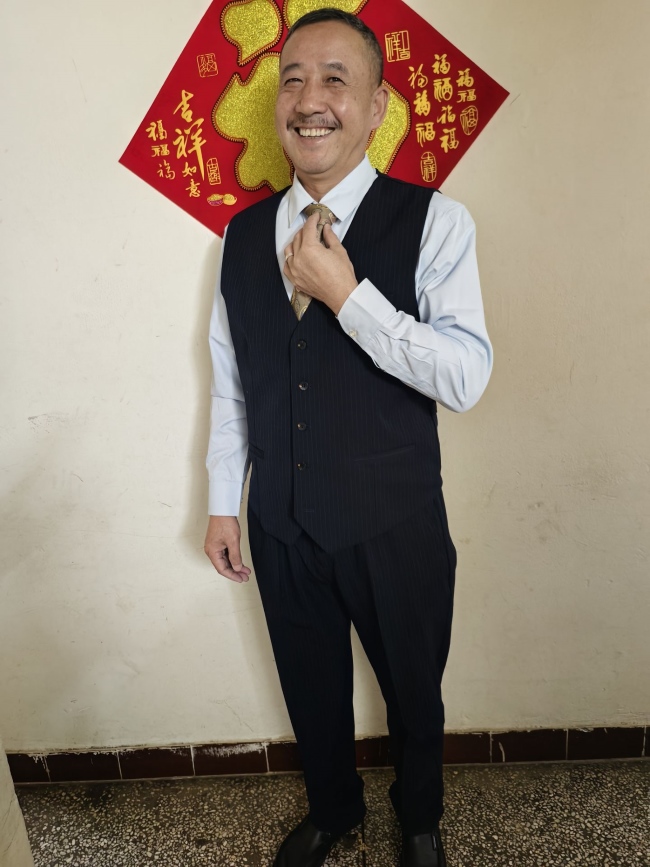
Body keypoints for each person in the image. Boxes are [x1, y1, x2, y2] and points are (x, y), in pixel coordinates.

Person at [204, 9, 492, 866]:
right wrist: (223, 503)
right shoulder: (243, 235)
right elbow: (234, 379)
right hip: (281, 518)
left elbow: (465, 376)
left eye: (336, 79)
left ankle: (420, 817)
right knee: (310, 685)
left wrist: (349, 295)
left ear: (376, 107)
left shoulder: (438, 221)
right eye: (292, 78)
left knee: (414, 692)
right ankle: (334, 809)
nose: (310, 99)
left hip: (393, 518)